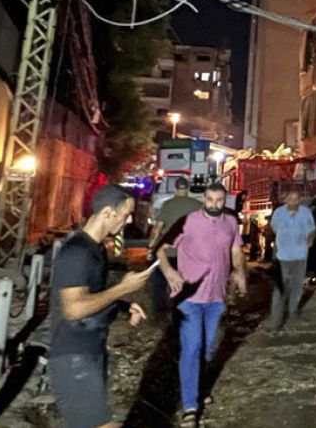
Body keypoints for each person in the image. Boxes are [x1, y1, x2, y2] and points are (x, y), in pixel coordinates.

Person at [49, 185, 151, 428]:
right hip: (73, 358)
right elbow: (73, 308)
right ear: (107, 212)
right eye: (125, 215)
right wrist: (123, 289)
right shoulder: (78, 252)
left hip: (89, 353)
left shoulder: (96, 250)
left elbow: (92, 297)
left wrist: (124, 306)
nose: (128, 222)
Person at [157, 182, 247, 426]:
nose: (214, 205)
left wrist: (239, 272)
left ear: (224, 201)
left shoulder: (230, 222)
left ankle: (199, 387)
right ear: (203, 199)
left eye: (219, 200)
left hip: (216, 299)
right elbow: (160, 249)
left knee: (207, 349)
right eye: (209, 200)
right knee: (192, 347)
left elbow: (236, 251)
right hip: (190, 298)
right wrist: (169, 273)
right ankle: (189, 406)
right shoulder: (187, 221)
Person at [148, 178, 201, 317]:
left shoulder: (167, 205)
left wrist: (152, 246)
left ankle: (159, 311)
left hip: (168, 253)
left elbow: (157, 229)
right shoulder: (198, 205)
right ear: (188, 188)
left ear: (176, 188)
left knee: (160, 280)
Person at [265, 189, 316, 329]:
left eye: (296, 199)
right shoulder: (279, 213)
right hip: (283, 256)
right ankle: (275, 318)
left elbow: (312, 229)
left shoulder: (306, 213)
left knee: (296, 287)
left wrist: (310, 238)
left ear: (300, 200)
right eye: (290, 198)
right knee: (280, 287)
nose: (293, 201)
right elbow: (273, 229)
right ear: (285, 199)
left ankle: (293, 314)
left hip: (300, 255)